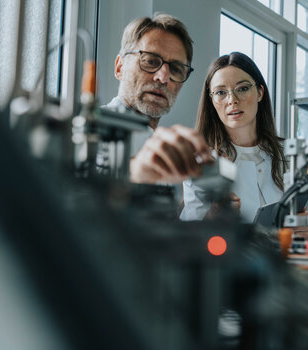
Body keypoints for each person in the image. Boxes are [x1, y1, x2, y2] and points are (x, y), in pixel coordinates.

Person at [103, 13, 212, 184]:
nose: (163, 77)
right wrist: (135, 172)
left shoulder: (164, 150)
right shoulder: (86, 130)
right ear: (120, 67)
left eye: (176, 69)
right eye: (151, 61)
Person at [180, 52, 286, 222]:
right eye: (221, 92)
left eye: (242, 88)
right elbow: (188, 239)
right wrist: (213, 216)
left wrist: (304, 231)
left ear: (260, 92)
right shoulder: (201, 164)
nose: (232, 100)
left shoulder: (289, 156)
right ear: (212, 102)